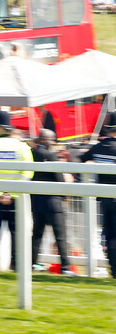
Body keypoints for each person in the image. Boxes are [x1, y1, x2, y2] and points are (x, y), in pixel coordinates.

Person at [0, 110, 34, 272]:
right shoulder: (21, 146)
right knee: (16, 233)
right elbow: (28, 172)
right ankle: (16, 265)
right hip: (15, 198)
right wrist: (13, 193)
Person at [30, 129, 75, 276]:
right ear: (43, 139)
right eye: (51, 139)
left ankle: (30, 264)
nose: (54, 142)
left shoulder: (31, 154)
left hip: (36, 201)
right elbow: (60, 179)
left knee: (37, 235)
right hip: (53, 203)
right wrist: (64, 196)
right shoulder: (51, 155)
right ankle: (65, 267)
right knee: (60, 236)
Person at [79, 111, 116, 278]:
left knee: (108, 233)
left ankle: (113, 268)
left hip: (103, 198)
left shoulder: (98, 147)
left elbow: (82, 159)